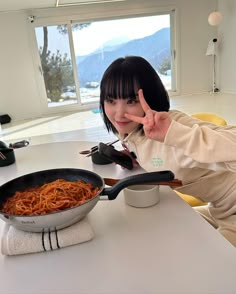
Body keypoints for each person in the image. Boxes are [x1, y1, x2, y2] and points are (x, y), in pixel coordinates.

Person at [99, 55, 236, 247]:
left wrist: (176, 135)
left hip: (232, 214)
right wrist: (136, 157)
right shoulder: (132, 133)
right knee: (150, 233)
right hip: (219, 210)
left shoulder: (172, 125)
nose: (119, 113)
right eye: (111, 100)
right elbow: (156, 155)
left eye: (131, 100)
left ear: (151, 97)